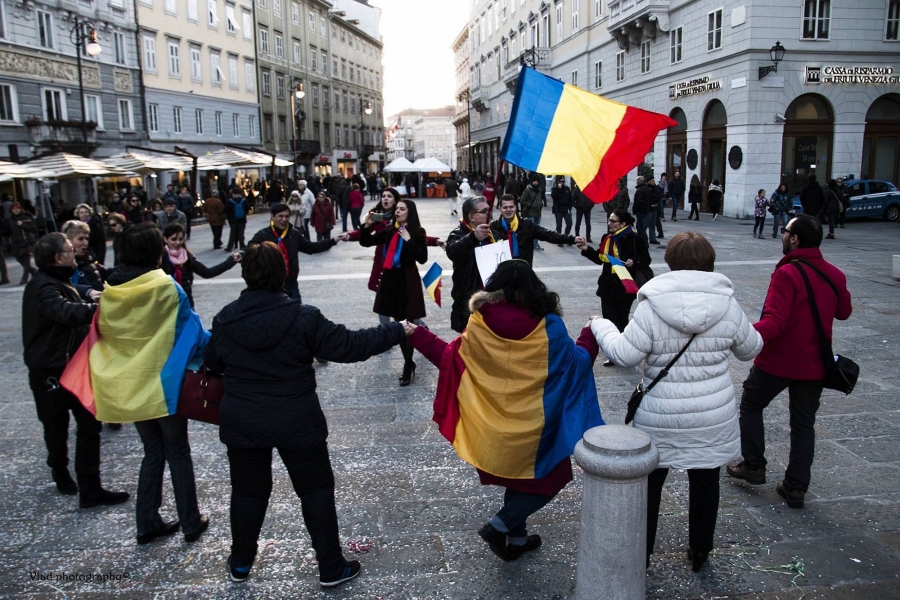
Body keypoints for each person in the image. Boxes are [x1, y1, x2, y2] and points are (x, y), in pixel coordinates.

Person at [204, 241, 404, 586]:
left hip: (244, 420)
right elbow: (350, 346)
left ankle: (240, 563)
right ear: (282, 273)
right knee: (315, 490)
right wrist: (395, 330)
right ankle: (330, 566)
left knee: (248, 491)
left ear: (246, 274)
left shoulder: (225, 319)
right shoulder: (303, 317)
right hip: (297, 418)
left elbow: (212, 363)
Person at [404, 260, 603, 561]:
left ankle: (518, 539)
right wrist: (590, 333)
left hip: (495, 425)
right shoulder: (548, 324)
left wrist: (417, 335)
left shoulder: (479, 322)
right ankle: (500, 526)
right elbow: (578, 363)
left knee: (519, 479)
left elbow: (450, 359)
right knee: (550, 480)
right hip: (538, 426)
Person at [591, 231, 763, 572]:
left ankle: (643, 554)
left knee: (651, 483)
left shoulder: (652, 304)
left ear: (670, 261)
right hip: (712, 414)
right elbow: (750, 349)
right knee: (706, 481)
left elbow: (625, 355)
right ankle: (700, 552)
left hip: (661, 414)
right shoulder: (727, 303)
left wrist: (602, 327)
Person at [93, 223, 209, 545]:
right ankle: (190, 521)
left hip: (131, 385)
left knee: (153, 452)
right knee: (178, 452)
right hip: (166, 386)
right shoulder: (167, 287)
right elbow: (193, 335)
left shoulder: (110, 290)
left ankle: (147, 521)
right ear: (155, 251)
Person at [728, 214, 852, 509]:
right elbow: (844, 312)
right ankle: (796, 487)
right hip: (815, 364)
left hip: (779, 361)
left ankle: (754, 465)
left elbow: (775, 322)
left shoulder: (787, 273)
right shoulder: (834, 274)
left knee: (751, 405)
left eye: (786, 232)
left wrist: (743, 337)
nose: (783, 235)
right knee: (803, 424)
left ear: (795, 239)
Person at [23, 233, 127, 507]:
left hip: (75, 366)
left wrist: (87, 293)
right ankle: (59, 469)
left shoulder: (55, 281)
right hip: (51, 371)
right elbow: (62, 309)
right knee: (56, 427)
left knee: (89, 425)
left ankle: (91, 487)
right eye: (70, 249)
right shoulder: (42, 288)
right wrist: (98, 310)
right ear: (59, 257)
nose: (74, 252)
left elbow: (70, 290)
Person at [359, 198, 427, 385]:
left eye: (402, 209)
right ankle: (408, 361)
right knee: (399, 323)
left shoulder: (417, 232)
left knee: (407, 322)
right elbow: (365, 242)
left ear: (409, 212)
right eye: (397, 209)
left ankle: (407, 363)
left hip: (407, 280)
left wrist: (409, 240)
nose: (397, 211)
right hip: (390, 279)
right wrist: (367, 224)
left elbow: (422, 258)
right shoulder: (389, 230)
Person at [576, 209, 650, 365]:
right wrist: (586, 249)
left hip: (625, 286)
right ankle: (612, 352)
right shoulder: (607, 238)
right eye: (609, 220)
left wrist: (633, 261)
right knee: (609, 319)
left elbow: (646, 259)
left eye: (613, 221)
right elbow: (600, 258)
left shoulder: (635, 239)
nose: (609, 223)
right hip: (608, 285)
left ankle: (623, 351)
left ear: (623, 223)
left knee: (622, 319)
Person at [249, 203, 346, 300]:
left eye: (287, 216)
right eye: (280, 216)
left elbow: (311, 248)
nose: (284, 220)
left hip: (290, 284)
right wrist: (241, 254)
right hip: (268, 285)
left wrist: (333, 241)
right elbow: (250, 249)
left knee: (296, 312)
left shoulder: (294, 234)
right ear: (272, 216)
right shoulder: (263, 235)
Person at [160, 223, 240, 307]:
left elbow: (207, 272)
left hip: (186, 304)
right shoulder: (161, 258)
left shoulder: (187, 256)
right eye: (173, 239)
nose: (178, 242)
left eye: (180, 239)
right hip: (168, 305)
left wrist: (231, 261)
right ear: (165, 239)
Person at [446, 196, 493, 333]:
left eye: (489, 210)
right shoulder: (458, 234)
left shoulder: (492, 232)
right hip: (468, 298)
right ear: (472, 216)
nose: (488, 214)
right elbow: (452, 251)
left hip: (491, 296)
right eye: (484, 211)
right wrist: (473, 237)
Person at [490, 195, 581, 266]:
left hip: (524, 273)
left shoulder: (527, 225)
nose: (508, 210)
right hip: (501, 274)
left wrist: (572, 239)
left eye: (511, 207)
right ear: (500, 209)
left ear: (515, 207)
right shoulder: (493, 227)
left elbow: (548, 235)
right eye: (505, 207)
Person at [62, 220, 106, 296]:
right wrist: (88, 291)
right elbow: (63, 286)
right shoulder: (64, 265)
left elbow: (106, 272)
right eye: (80, 239)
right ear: (68, 241)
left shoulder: (89, 259)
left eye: (86, 239)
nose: (85, 243)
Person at [7, 202, 38, 284]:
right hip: (16, 243)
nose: (16, 210)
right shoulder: (11, 220)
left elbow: (33, 227)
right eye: (14, 209)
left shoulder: (26, 217)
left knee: (26, 260)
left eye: (17, 209)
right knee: (19, 259)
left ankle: (24, 278)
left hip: (26, 242)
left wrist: (23, 225)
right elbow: (9, 231)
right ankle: (33, 271)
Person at [518, 176, 547, 251]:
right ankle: (530, 243)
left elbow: (539, 199)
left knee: (537, 229)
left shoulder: (539, 190)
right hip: (530, 212)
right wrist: (531, 205)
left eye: (537, 181)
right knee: (531, 229)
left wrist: (541, 204)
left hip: (538, 212)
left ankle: (535, 243)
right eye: (534, 181)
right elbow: (522, 200)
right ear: (532, 182)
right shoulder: (527, 190)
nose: (535, 182)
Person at [632, 176, 658, 245]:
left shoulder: (640, 190)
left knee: (641, 227)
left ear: (639, 182)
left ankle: (644, 243)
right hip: (645, 210)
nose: (636, 182)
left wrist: (635, 209)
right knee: (641, 227)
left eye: (637, 181)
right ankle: (642, 242)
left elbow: (639, 202)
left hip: (641, 211)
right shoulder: (646, 189)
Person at [224, 187, 249, 251]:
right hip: (242, 220)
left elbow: (226, 210)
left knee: (232, 233)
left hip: (233, 220)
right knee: (241, 233)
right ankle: (242, 245)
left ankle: (230, 246)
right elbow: (247, 209)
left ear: (233, 194)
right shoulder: (243, 200)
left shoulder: (230, 201)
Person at [550, 176, 573, 247]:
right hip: (558, 210)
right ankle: (560, 240)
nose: (562, 183)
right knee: (559, 226)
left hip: (566, 209)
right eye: (560, 181)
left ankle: (566, 238)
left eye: (563, 181)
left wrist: (570, 207)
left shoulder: (567, 189)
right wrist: (559, 189)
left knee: (569, 224)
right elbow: (554, 197)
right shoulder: (554, 189)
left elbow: (570, 199)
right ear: (557, 182)